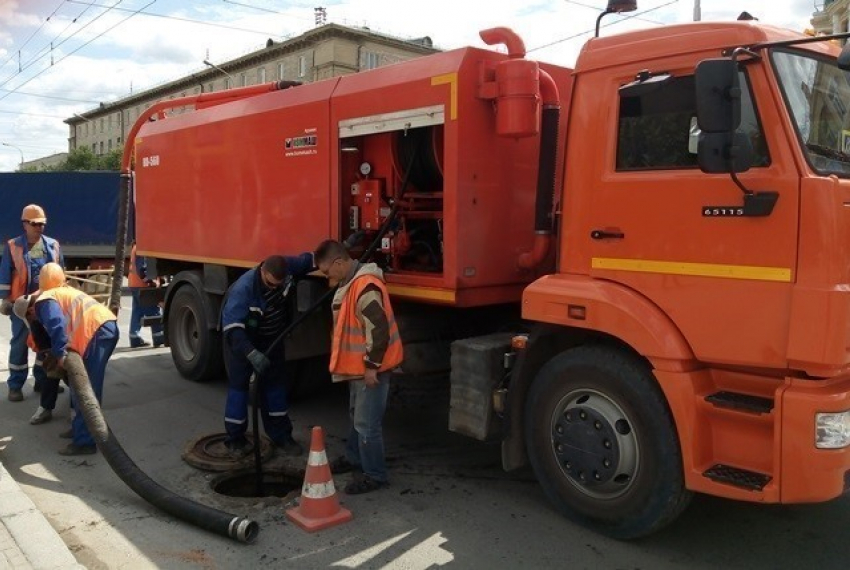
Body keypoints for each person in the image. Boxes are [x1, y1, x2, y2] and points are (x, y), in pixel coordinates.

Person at [314, 239, 403, 495]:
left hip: (370, 370)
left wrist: (372, 367)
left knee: (367, 424)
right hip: (358, 369)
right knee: (357, 416)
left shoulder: (365, 287)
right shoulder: (351, 283)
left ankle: (375, 475)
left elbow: (379, 329)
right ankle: (354, 458)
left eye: (327, 271)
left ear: (339, 263)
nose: (326, 277)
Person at [13, 262, 119, 456]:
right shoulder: (58, 292)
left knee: (86, 389)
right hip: (100, 330)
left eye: (30, 317)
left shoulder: (43, 301)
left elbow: (56, 324)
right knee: (80, 387)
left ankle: (85, 442)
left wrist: (59, 353)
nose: (34, 320)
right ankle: (81, 430)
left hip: (98, 332)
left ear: (29, 311)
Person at [221, 253, 315, 458]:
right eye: (270, 284)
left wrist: (346, 247)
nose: (274, 289)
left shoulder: (287, 266)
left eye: (278, 286)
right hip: (243, 342)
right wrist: (252, 354)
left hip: (272, 341)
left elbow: (313, 260)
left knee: (275, 389)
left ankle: (282, 436)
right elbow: (233, 330)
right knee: (239, 391)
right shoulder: (243, 289)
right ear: (262, 271)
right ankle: (235, 440)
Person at [0, 204, 64, 402]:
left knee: (43, 344)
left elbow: (60, 273)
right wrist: (4, 299)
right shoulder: (13, 246)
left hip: (44, 304)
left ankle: (41, 380)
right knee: (20, 343)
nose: (39, 227)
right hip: (20, 306)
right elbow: (5, 273)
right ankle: (15, 385)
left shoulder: (53, 245)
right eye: (35, 224)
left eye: (42, 224)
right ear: (24, 224)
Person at [26, 262, 69, 425]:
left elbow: (57, 325)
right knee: (52, 370)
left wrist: (60, 353)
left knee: (71, 375)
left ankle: (77, 412)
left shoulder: (48, 296)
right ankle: (47, 407)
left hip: (67, 338)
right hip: (56, 338)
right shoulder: (42, 297)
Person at [128, 241, 164, 348]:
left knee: (137, 311)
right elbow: (142, 269)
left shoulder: (135, 246)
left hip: (134, 284)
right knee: (153, 310)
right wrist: (151, 282)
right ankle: (159, 337)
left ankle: (134, 338)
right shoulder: (141, 247)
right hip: (142, 285)